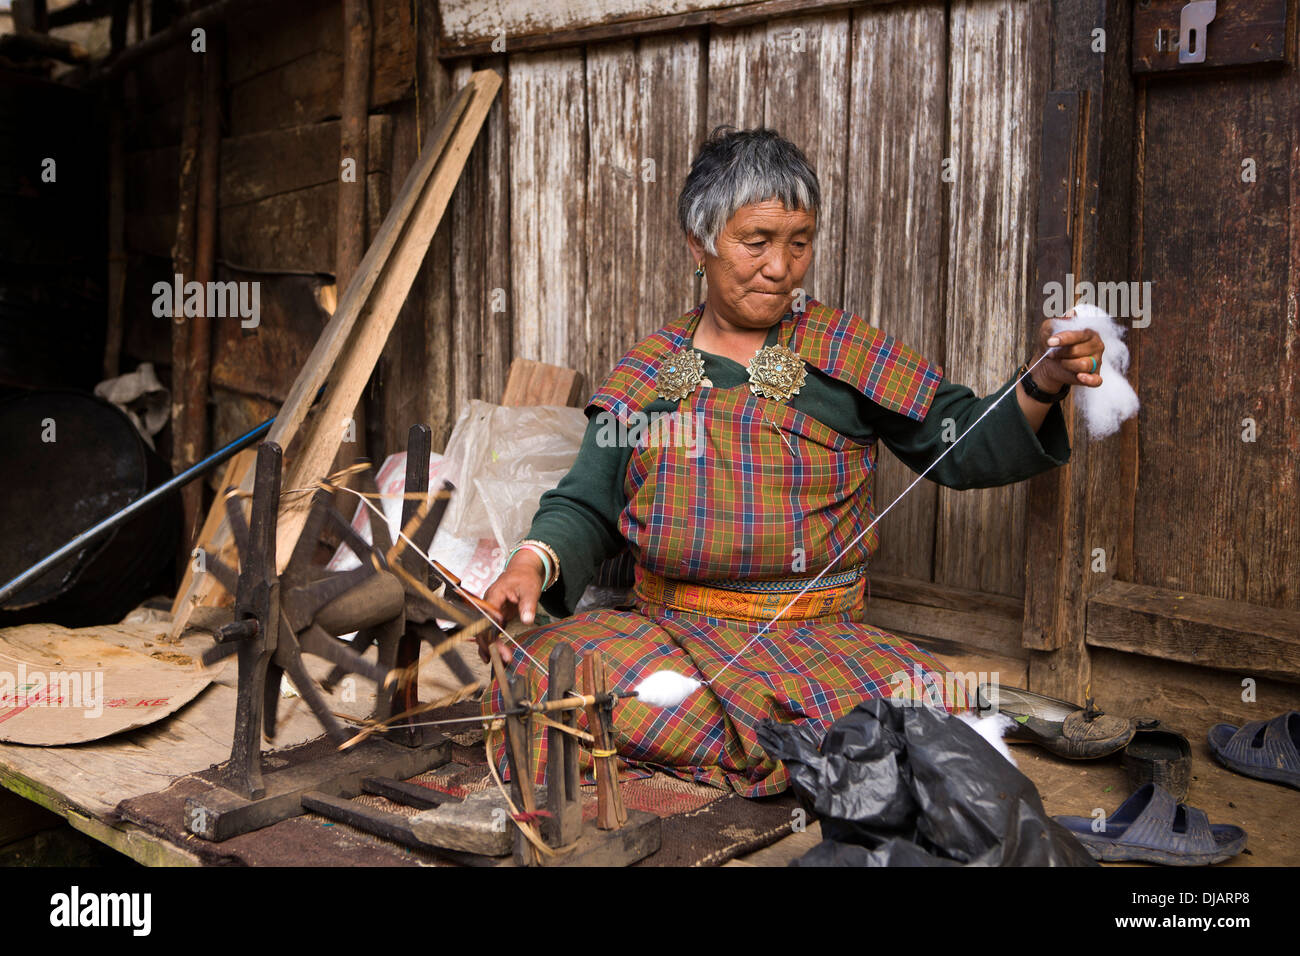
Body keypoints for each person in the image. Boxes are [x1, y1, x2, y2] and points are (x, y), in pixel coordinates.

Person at [477, 127, 1105, 796]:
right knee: (535, 673)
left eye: (798, 243)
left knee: (901, 710)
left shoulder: (848, 351)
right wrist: (529, 564)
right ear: (700, 243)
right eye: (757, 242)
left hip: (819, 646)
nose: (780, 267)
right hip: (670, 638)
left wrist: (1044, 381)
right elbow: (585, 503)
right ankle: (802, 750)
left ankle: (789, 742)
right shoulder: (648, 375)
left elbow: (963, 446)